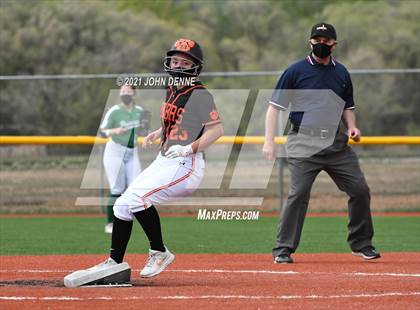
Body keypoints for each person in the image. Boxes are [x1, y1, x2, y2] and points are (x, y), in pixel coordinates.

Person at [65, 38, 223, 286]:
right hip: (165, 158)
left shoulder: (200, 95)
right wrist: (160, 132)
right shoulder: (171, 87)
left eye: (185, 62)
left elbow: (216, 130)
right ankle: (114, 262)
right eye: (175, 60)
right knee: (122, 205)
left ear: (195, 67)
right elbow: (177, 119)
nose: (178, 65)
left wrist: (188, 148)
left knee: (138, 198)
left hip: (186, 164)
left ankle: (159, 252)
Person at [263, 23, 380, 264]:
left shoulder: (342, 73)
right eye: (317, 39)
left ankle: (361, 243)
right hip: (303, 142)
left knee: (360, 190)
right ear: (310, 42)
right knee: (299, 193)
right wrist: (269, 141)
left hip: (336, 144)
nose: (321, 44)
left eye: (326, 40)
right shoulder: (295, 71)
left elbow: (348, 106)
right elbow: (274, 108)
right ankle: (283, 249)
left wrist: (352, 127)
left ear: (334, 44)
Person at [100, 84, 146, 234]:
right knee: (117, 188)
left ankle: (129, 219)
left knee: (136, 188)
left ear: (134, 94)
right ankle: (110, 223)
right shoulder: (114, 111)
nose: (125, 93)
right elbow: (102, 131)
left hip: (132, 151)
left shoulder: (140, 111)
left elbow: (144, 129)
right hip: (115, 151)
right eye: (123, 91)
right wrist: (114, 130)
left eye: (128, 91)